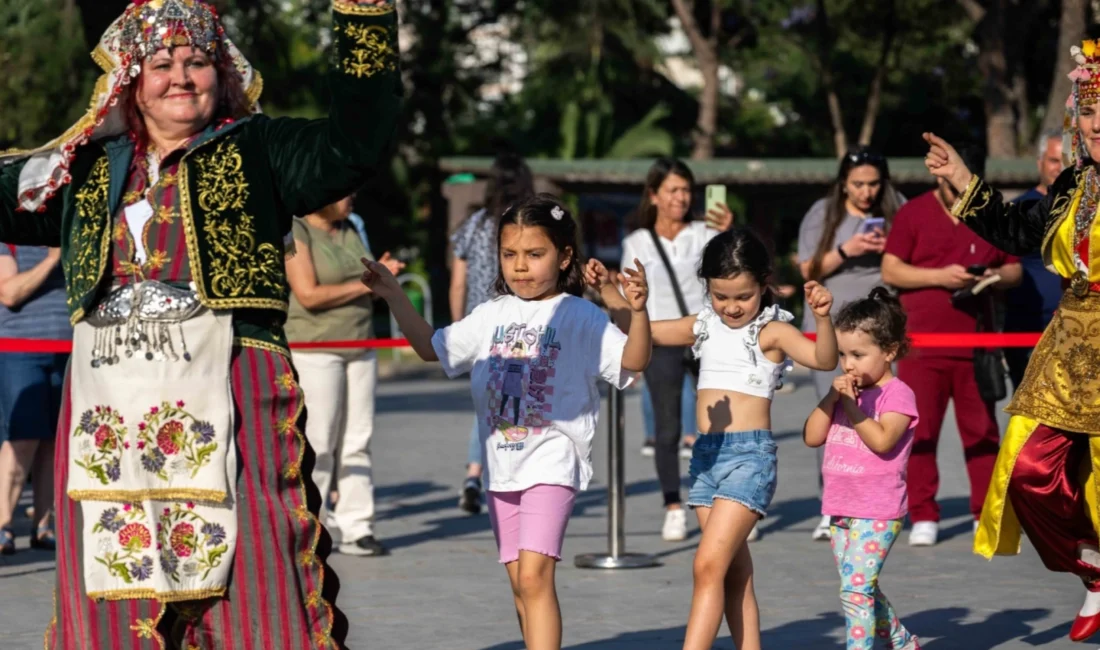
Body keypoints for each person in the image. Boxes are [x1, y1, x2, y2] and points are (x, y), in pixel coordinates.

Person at [0, 0, 402, 646]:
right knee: (116, 592)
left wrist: (364, 18)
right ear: (131, 79)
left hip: (235, 393)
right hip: (111, 418)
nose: (181, 76)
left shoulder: (260, 151)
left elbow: (356, 143)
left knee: (255, 583)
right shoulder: (85, 170)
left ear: (224, 72)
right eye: (161, 63)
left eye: (197, 61)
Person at [361, 194, 651, 650]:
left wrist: (638, 312)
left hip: (553, 462)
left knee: (535, 579)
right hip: (501, 468)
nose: (520, 266)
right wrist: (392, 294)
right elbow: (429, 347)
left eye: (535, 254)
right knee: (520, 587)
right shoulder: (490, 314)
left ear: (564, 256)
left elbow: (633, 361)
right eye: (509, 254)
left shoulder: (580, 315)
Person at [923, 38, 1100, 644]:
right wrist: (965, 179)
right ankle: (1093, 573)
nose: (1097, 125)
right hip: (1069, 346)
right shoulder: (1076, 183)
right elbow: (1018, 229)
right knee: (1027, 470)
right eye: (1090, 112)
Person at [649, 228, 838, 650]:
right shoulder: (703, 325)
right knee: (734, 574)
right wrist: (619, 297)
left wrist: (822, 317)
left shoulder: (772, 331)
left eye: (743, 296)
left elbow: (824, 359)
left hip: (748, 459)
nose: (732, 307)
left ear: (764, 284)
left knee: (706, 566)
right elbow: (647, 331)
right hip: (705, 459)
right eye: (721, 296)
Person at [881, 143, 1021, 547]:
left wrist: (990, 277)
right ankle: (924, 512)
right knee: (919, 429)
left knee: (982, 431)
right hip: (921, 344)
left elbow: (1014, 270)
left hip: (976, 343)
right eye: (949, 183)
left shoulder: (989, 211)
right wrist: (940, 276)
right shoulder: (914, 213)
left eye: (963, 184)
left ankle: (986, 512)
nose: (956, 192)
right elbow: (891, 269)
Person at [620, 157, 733, 542]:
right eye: (672, 190)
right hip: (661, 337)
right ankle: (672, 505)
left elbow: (731, 272)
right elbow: (627, 299)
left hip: (707, 335)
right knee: (666, 428)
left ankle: (729, 502)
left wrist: (729, 234)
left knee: (720, 423)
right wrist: (631, 348)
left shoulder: (706, 232)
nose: (681, 198)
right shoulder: (635, 242)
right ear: (654, 195)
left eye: (686, 190)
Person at [286, 194, 405, 557]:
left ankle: (358, 527)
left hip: (361, 344)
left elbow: (367, 280)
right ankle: (312, 526)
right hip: (316, 348)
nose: (352, 197)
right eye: (344, 191)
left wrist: (380, 276)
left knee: (358, 438)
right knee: (320, 441)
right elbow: (308, 294)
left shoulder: (353, 227)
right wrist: (367, 285)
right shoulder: (297, 229)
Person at [803, 288, 921, 650]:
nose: (848, 364)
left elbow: (883, 440)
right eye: (842, 354)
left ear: (888, 352)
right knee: (860, 587)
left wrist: (853, 409)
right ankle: (902, 641)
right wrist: (831, 398)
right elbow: (811, 436)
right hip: (841, 507)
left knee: (855, 590)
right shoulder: (844, 394)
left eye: (858, 354)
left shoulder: (897, 394)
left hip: (878, 510)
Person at [796, 145, 903, 541]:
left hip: (880, 329)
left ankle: (881, 500)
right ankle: (833, 504)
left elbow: (912, 259)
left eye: (874, 184)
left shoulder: (898, 208)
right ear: (844, 183)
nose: (866, 192)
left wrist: (888, 250)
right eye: (858, 184)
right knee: (835, 417)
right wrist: (848, 250)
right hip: (833, 330)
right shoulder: (822, 214)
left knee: (883, 416)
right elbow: (806, 267)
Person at [449, 152, 534, 514]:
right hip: (519, 327)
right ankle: (500, 479)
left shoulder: (474, 225)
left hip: (478, 326)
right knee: (511, 408)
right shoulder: (526, 229)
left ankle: (474, 475)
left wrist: (458, 330)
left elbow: (458, 282)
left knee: (488, 406)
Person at [0, 244, 70, 554]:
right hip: (20, 347)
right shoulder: (9, 238)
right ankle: (3, 524)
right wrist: (53, 258)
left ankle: (44, 525)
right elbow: (9, 293)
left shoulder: (69, 233)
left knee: (54, 443)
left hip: (69, 349)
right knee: (23, 438)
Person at [1002, 130, 1066, 391]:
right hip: (1029, 331)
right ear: (1040, 162)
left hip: (1079, 330)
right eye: (1053, 160)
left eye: (1067, 160)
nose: (1060, 168)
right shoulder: (1017, 210)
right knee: (1030, 421)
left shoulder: (1089, 208)